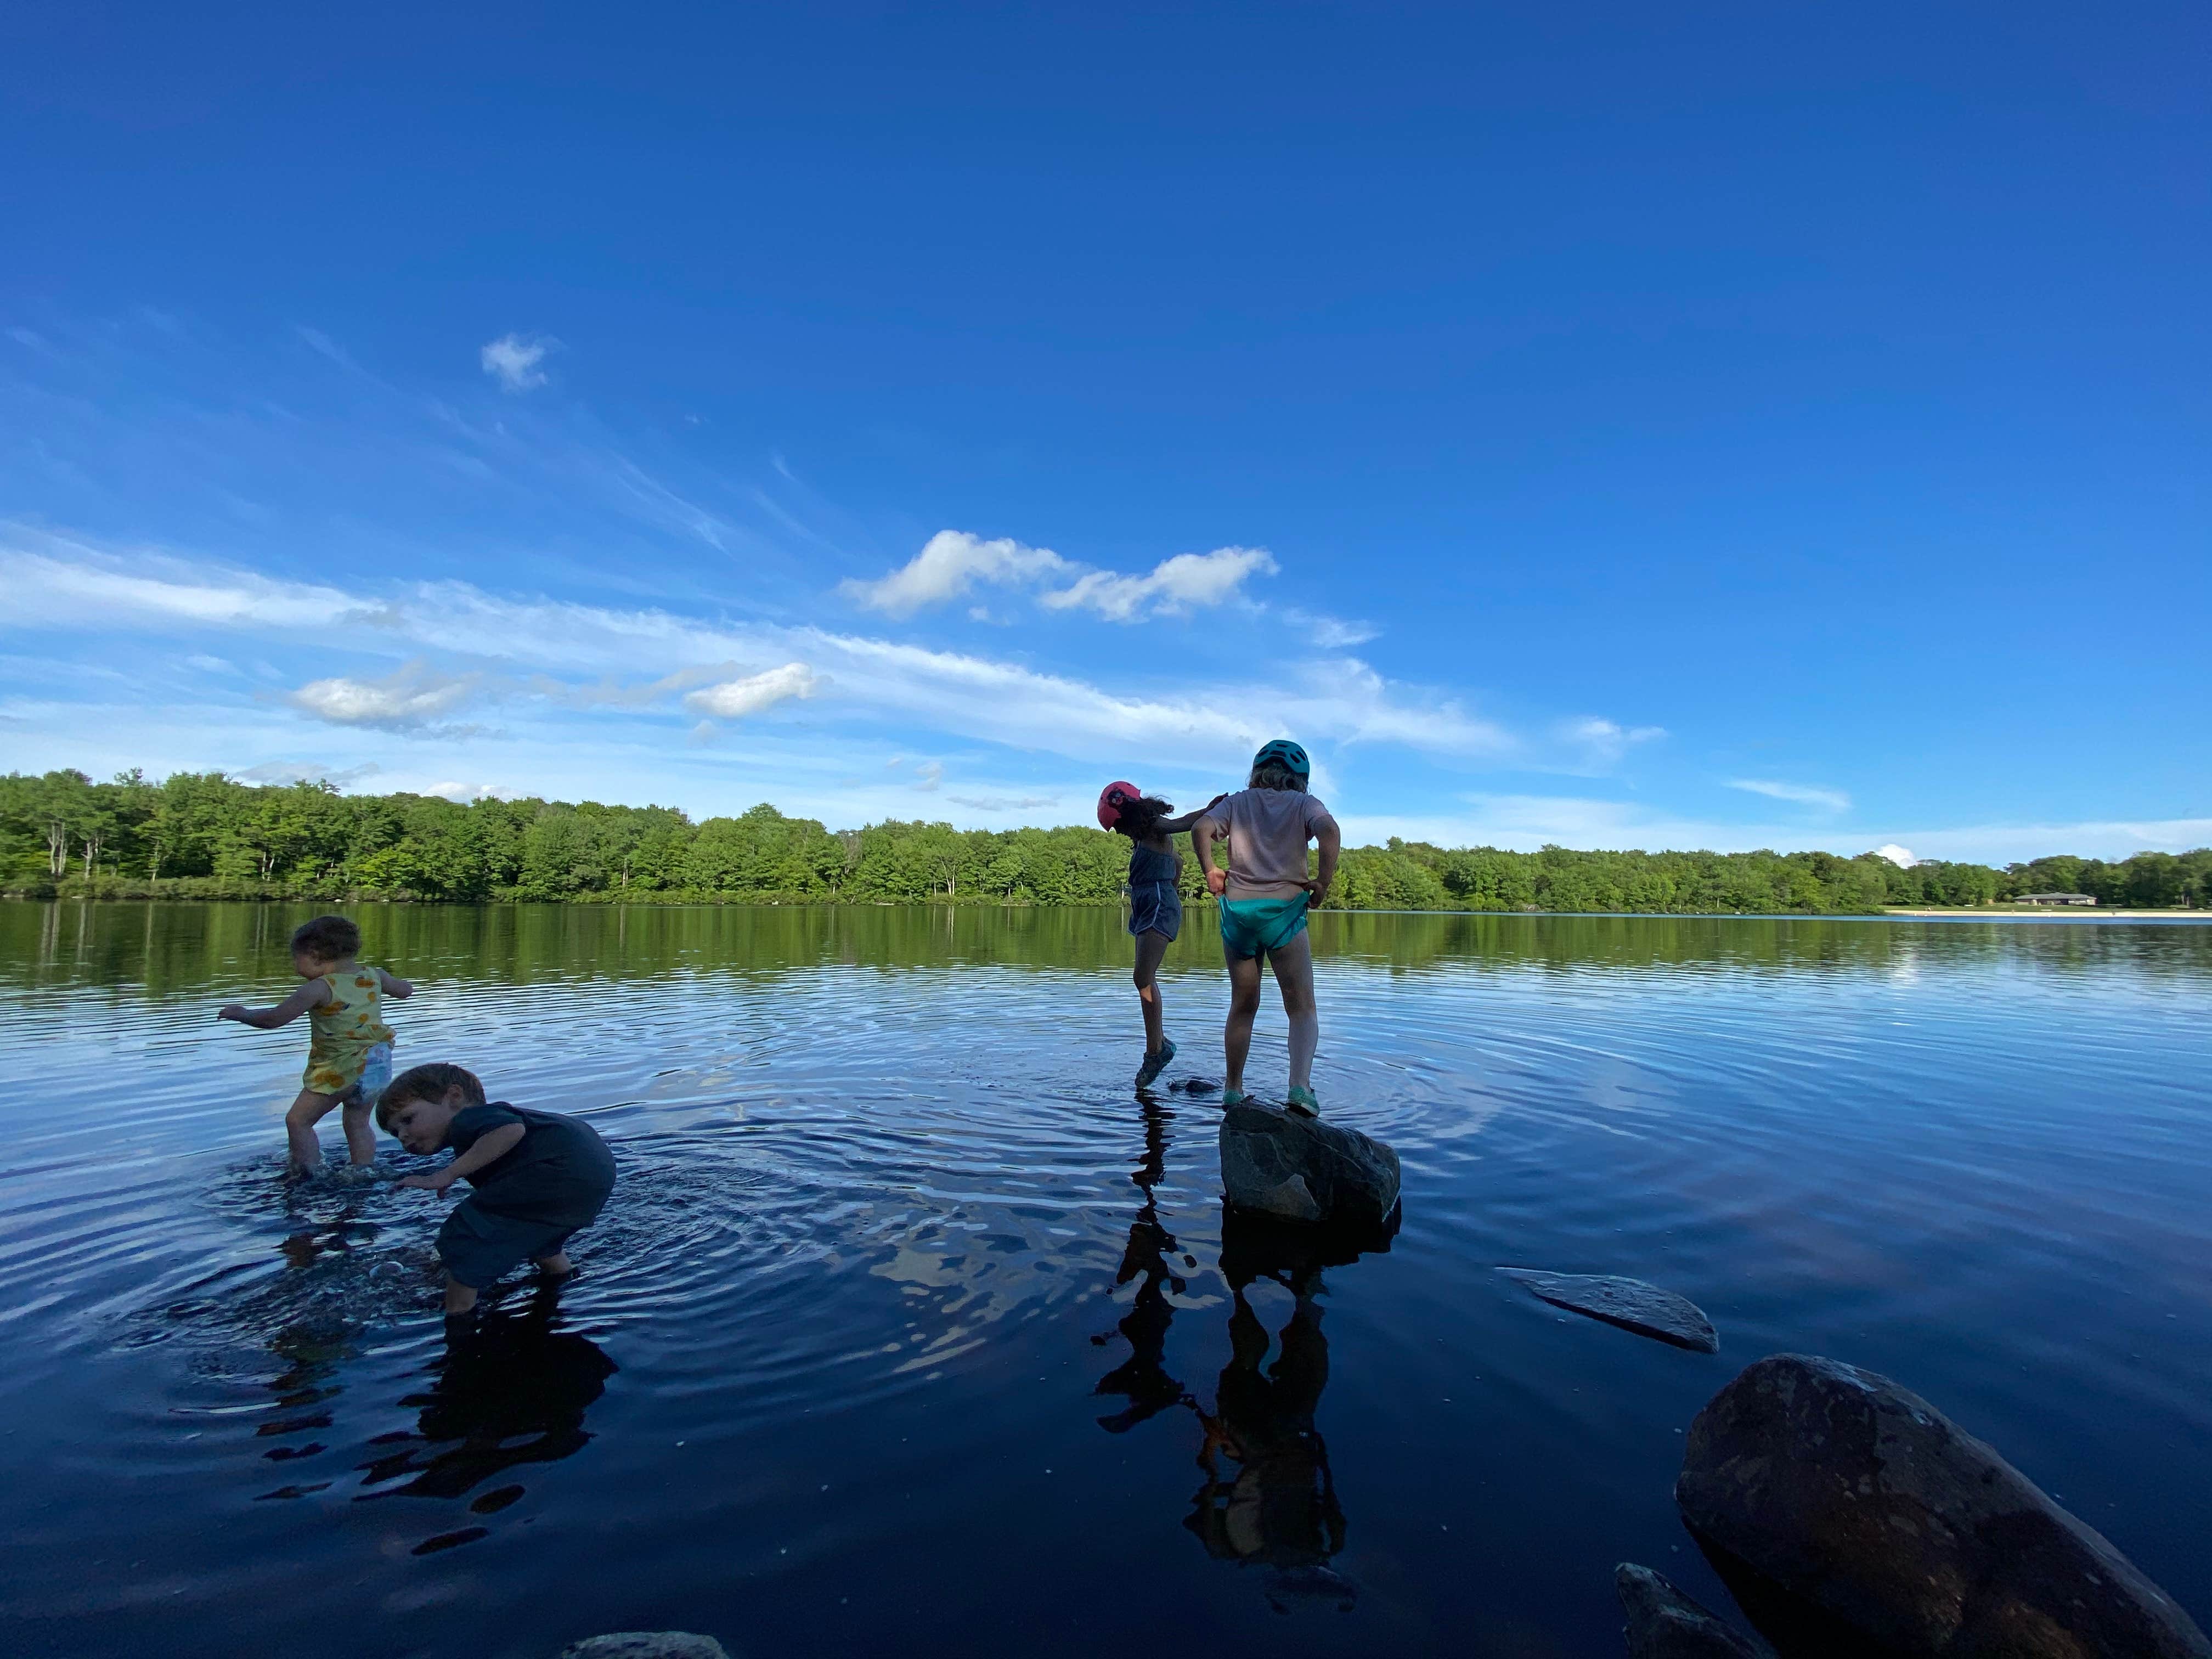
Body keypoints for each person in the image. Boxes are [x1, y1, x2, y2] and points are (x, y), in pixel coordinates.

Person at [376, 1062, 618, 1322]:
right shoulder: (477, 1136)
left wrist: (446, 1174)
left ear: (454, 1097)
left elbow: (512, 1130)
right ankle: (560, 1274)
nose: (402, 1135)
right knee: (528, 1229)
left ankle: (458, 1315)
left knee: (466, 1229)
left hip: (559, 1169)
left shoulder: (468, 1119)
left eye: (408, 1119)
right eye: (394, 1132)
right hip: (590, 1173)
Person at [1190, 740, 1340, 1116]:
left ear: (1257, 771)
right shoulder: (1307, 804)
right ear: (1301, 778)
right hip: (1283, 914)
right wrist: (1322, 882)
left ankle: (1232, 1090)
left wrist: (1210, 869)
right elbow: (1330, 832)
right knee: (1301, 1008)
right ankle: (1300, 1088)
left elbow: (1202, 827)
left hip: (1238, 914)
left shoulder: (1238, 802)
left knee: (1243, 1005)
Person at [218, 913, 411, 1176]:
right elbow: (405, 991)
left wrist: (241, 1014)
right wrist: (393, 984)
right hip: (376, 1063)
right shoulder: (374, 975)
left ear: (315, 954)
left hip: (340, 1068)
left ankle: (306, 1173)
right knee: (357, 1123)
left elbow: (274, 1019)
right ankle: (361, 1172)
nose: (295, 967)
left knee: (298, 1121)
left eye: (296, 959)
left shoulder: (320, 988)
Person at [1099, 782, 1226, 1088]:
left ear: (1127, 813)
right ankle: (1157, 1047)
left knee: (1142, 976)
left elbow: (1182, 824)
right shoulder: (1145, 838)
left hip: (1157, 902)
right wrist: (1170, 881)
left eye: (1118, 826)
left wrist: (1211, 810)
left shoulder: (1155, 826)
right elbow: (1178, 861)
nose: (1120, 833)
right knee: (1142, 977)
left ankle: (1157, 1050)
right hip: (1148, 902)